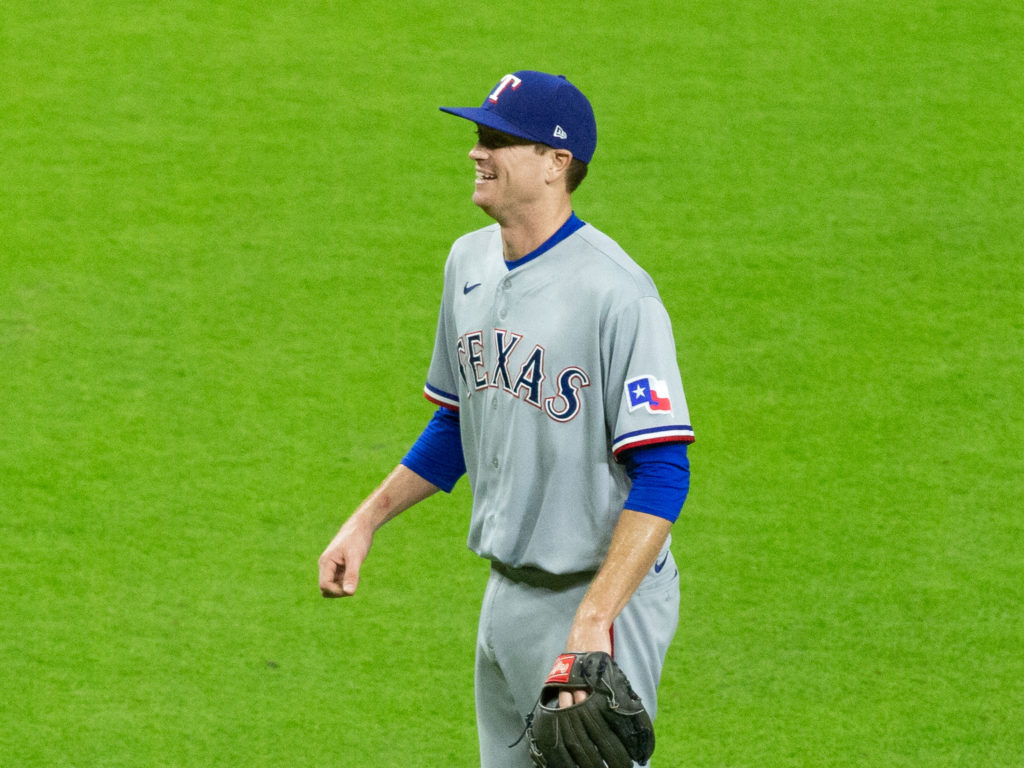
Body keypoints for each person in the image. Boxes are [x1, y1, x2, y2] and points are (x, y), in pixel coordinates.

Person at [319, 70, 695, 767]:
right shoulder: (467, 262)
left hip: (599, 602)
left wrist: (593, 622)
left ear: (557, 165)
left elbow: (665, 471)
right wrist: (366, 521)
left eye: (498, 140)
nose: (476, 152)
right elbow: (462, 422)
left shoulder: (617, 295)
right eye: (477, 136)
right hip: (506, 596)